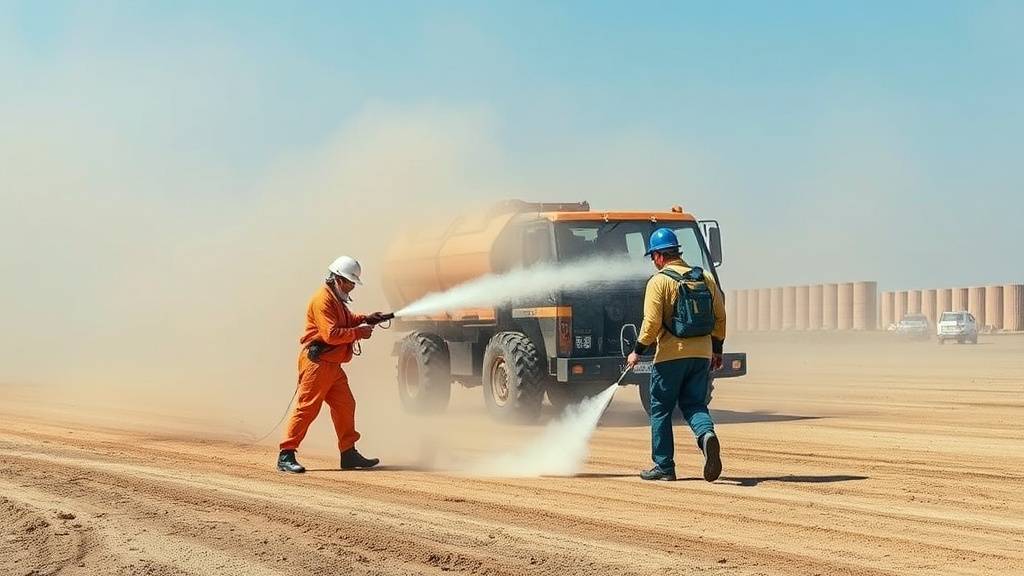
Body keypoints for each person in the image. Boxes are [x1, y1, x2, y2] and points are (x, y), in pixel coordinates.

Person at [627, 228, 727, 482]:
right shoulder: (703, 277)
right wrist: (717, 349)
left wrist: (637, 351)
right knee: (694, 404)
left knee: (660, 408)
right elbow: (720, 316)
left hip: (671, 356)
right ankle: (706, 437)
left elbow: (651, 323)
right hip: (702, 354)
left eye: (653, 257)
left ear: (660, 256)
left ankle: (664, 466)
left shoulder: (658, 282)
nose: (653, 261)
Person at [276, 255, 390, 474]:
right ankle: (286, 454)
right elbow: (331, 334)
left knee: (346, 405)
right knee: (307, 409)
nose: (352, 287)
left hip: (333, 365)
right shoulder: (323, 300)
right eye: (349, 282)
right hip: (318, 364)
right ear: (337, 279)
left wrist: (367, 318)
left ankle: (348, 453)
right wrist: (359, 332)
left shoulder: (336, 298)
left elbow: (345, 319)